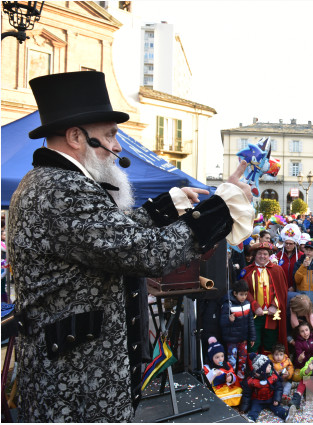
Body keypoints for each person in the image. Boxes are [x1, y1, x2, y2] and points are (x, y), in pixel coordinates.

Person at [9, 72, 254, 422]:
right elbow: (147, 253)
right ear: (77, 136)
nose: (118, 146)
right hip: (77, 383)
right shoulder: (61, 189)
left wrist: (170, 206)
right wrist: (220, 208)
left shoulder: (55, 182)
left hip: (78, 372)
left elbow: (112, 239)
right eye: (110, 135)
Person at [242, 242, 289, 353]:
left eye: (265, 254)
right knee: (253, 342)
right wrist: (255, 306)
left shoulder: (277, 270)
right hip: (254, 316)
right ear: (255, 255)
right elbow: (244, 292)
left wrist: (274, 305)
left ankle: (269, 368)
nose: (262, 256)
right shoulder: (247, 271)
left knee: (270, 342)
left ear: (269, 256)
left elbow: (282, 291)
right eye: (259, 253)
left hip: (272, 315)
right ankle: (252, 367)